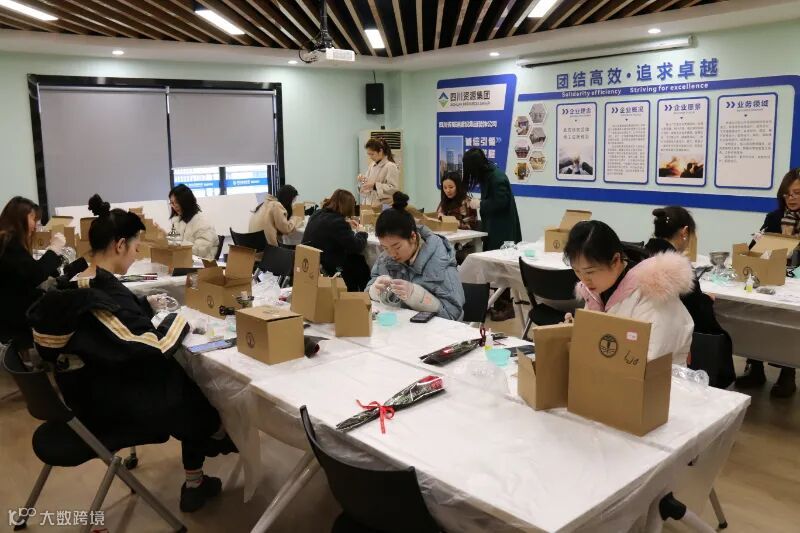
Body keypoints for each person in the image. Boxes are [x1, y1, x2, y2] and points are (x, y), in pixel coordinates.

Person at [27, 194, 235, 512]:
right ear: (120, 245)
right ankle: (217, 438)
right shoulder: (99, 296)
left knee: (189, 391)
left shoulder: (76, 279)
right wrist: (180, 319)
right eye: (136, 247)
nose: (137, 255)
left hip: (87, 392)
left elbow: (115, 327)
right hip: (112, 406)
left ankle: (200, 470)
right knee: (194, 390)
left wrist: (144, 304)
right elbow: (154, 347)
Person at [564, 220, 694, 363]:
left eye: (590, 272)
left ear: (615, 260)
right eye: (577, 271)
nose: (584, 280)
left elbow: (653, 358)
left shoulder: (652, 292)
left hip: (657, 373)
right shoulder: (596, 290)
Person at [645, 206, 735, 388]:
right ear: (685, 232)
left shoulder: (640, 253)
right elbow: (695, 310)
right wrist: (706, 300)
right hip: (670, 340)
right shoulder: (678, 266)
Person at [736, 168, 800, 397]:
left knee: (789, 323)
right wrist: (767, 242)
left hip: (797, 284)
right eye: (787, 194)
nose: (791, 198)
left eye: (797, 193)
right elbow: (754, 250)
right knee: (755, 316)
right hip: (772, 279)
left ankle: (788, 373)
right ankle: (755, 368)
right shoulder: (774, 217)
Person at [367, 192, 464, 320]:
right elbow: (368, 294)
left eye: (397, 247)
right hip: (399, 326)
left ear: (413, 237)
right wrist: (374, 291)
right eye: (385, 248)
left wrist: (418, 296)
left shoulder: (440, 263)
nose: (392, 254)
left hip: (432, 330)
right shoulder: (385, 258)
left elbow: (454, 315)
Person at [462, 148, 522, 320]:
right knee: (494, 269)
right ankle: (496, 304)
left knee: (501, 268)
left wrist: (480, 204)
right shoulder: (488, 176)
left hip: (503, 230)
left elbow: (501, 202)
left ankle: (505, 307)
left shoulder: (497, 178)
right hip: (494, 228)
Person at [0, 196, 65, 345]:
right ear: (19, 217)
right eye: (33, 219)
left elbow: (26, 269)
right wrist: (53, 250)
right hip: (12, 313)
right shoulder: (9, 242)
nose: (35, 226)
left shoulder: (9, 240)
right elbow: (34, 274)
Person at [302, 189, 370, 291]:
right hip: (331, 267)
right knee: (359, 262)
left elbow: (329, 229)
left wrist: (345, 223)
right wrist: (362, 232)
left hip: (312, 262)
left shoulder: (317, 214)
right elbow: (357, 246)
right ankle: (362, 294)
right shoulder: (338, 222)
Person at [168, 184, 218, 260]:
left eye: (177, 202)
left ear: (187, 202)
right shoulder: (178, 221)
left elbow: (200, 251)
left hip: (201, 264)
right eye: (172, 203)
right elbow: (172, 244)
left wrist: (178, 243)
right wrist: (163, 239)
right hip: (183, 261)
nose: (174, 206)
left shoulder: (203, 223)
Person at [357, 137, 400, 206]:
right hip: (369, 205)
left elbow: (393, 189)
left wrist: (374, 185)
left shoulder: (390, 166)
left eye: (372, 154)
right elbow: (367, 188)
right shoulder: (372, 165)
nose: (370, 157)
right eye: (368, 154)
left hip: (383, 206)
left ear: (380, 151)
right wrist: (362, 181)